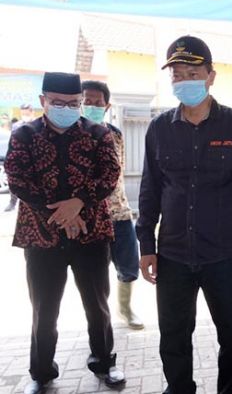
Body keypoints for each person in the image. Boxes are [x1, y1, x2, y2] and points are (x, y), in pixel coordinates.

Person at [136, 35, 232, 394]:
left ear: (211, 75)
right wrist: (145, 244)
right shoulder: (159, 128)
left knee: (231, 336)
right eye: (177, 73)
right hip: (173, 253)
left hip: (223, 253)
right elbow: (150, 190)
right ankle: (178, 389)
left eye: (192, 71)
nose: (184, 79)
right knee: (174, 337)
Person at [4, 72, 126, 394]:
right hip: (41, 237)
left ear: (81, 103)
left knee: (98, 306)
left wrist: (79, 203)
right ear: (44, 101)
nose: (66, 108)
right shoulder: (24, 135)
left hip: (91, 234)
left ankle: (104, 361)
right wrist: (62, 213)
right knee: (44, 310)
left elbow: (110, 174)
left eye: (73, 103)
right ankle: (41, 373)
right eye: (58, 103)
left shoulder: (98, 134)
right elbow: (18, 179)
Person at [81, 80, 144, 330]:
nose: (93, 106)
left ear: (106, 106)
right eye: (88, 101)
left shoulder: (115, 133)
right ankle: (98, 318)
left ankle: (125, 309)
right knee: (94, 273)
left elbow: (117, 173)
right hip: (89, 217)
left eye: (98, 102)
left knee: (129, 264)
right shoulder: (75, 134)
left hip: (119, 212)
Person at [4, 104, 35, 212]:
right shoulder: (17, 125)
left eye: (27, 113)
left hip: (33, 159)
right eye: (23, 113)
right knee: (16, 181)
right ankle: (12, 203)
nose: (25, 115)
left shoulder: (36, 125)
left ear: (32, 112)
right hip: (18, 157)